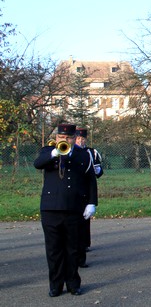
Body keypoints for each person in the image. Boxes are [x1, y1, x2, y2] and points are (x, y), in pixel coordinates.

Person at [33, 123, 97, 297]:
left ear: (74, 138)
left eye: (68, 138)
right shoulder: (47, 151)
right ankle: (55, 285)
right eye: (61, 138)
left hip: (74, 208)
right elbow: (37, 164)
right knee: (54, 250)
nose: (65, 140)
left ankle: (73, 284)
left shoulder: (83, 154)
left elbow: (90, 179)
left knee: (73, 249)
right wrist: (56, 153)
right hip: (51, 208)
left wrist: (92, 202)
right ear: (56, 138)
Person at [74, 127, 104, 268]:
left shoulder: (91, 152)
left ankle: (84, 245)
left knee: (84, 221)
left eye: (82, 139)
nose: (80, 141)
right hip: (74, 189)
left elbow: (97, 171)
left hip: (86, 189)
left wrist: (98, 170)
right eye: (78, 138)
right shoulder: (71, 152)